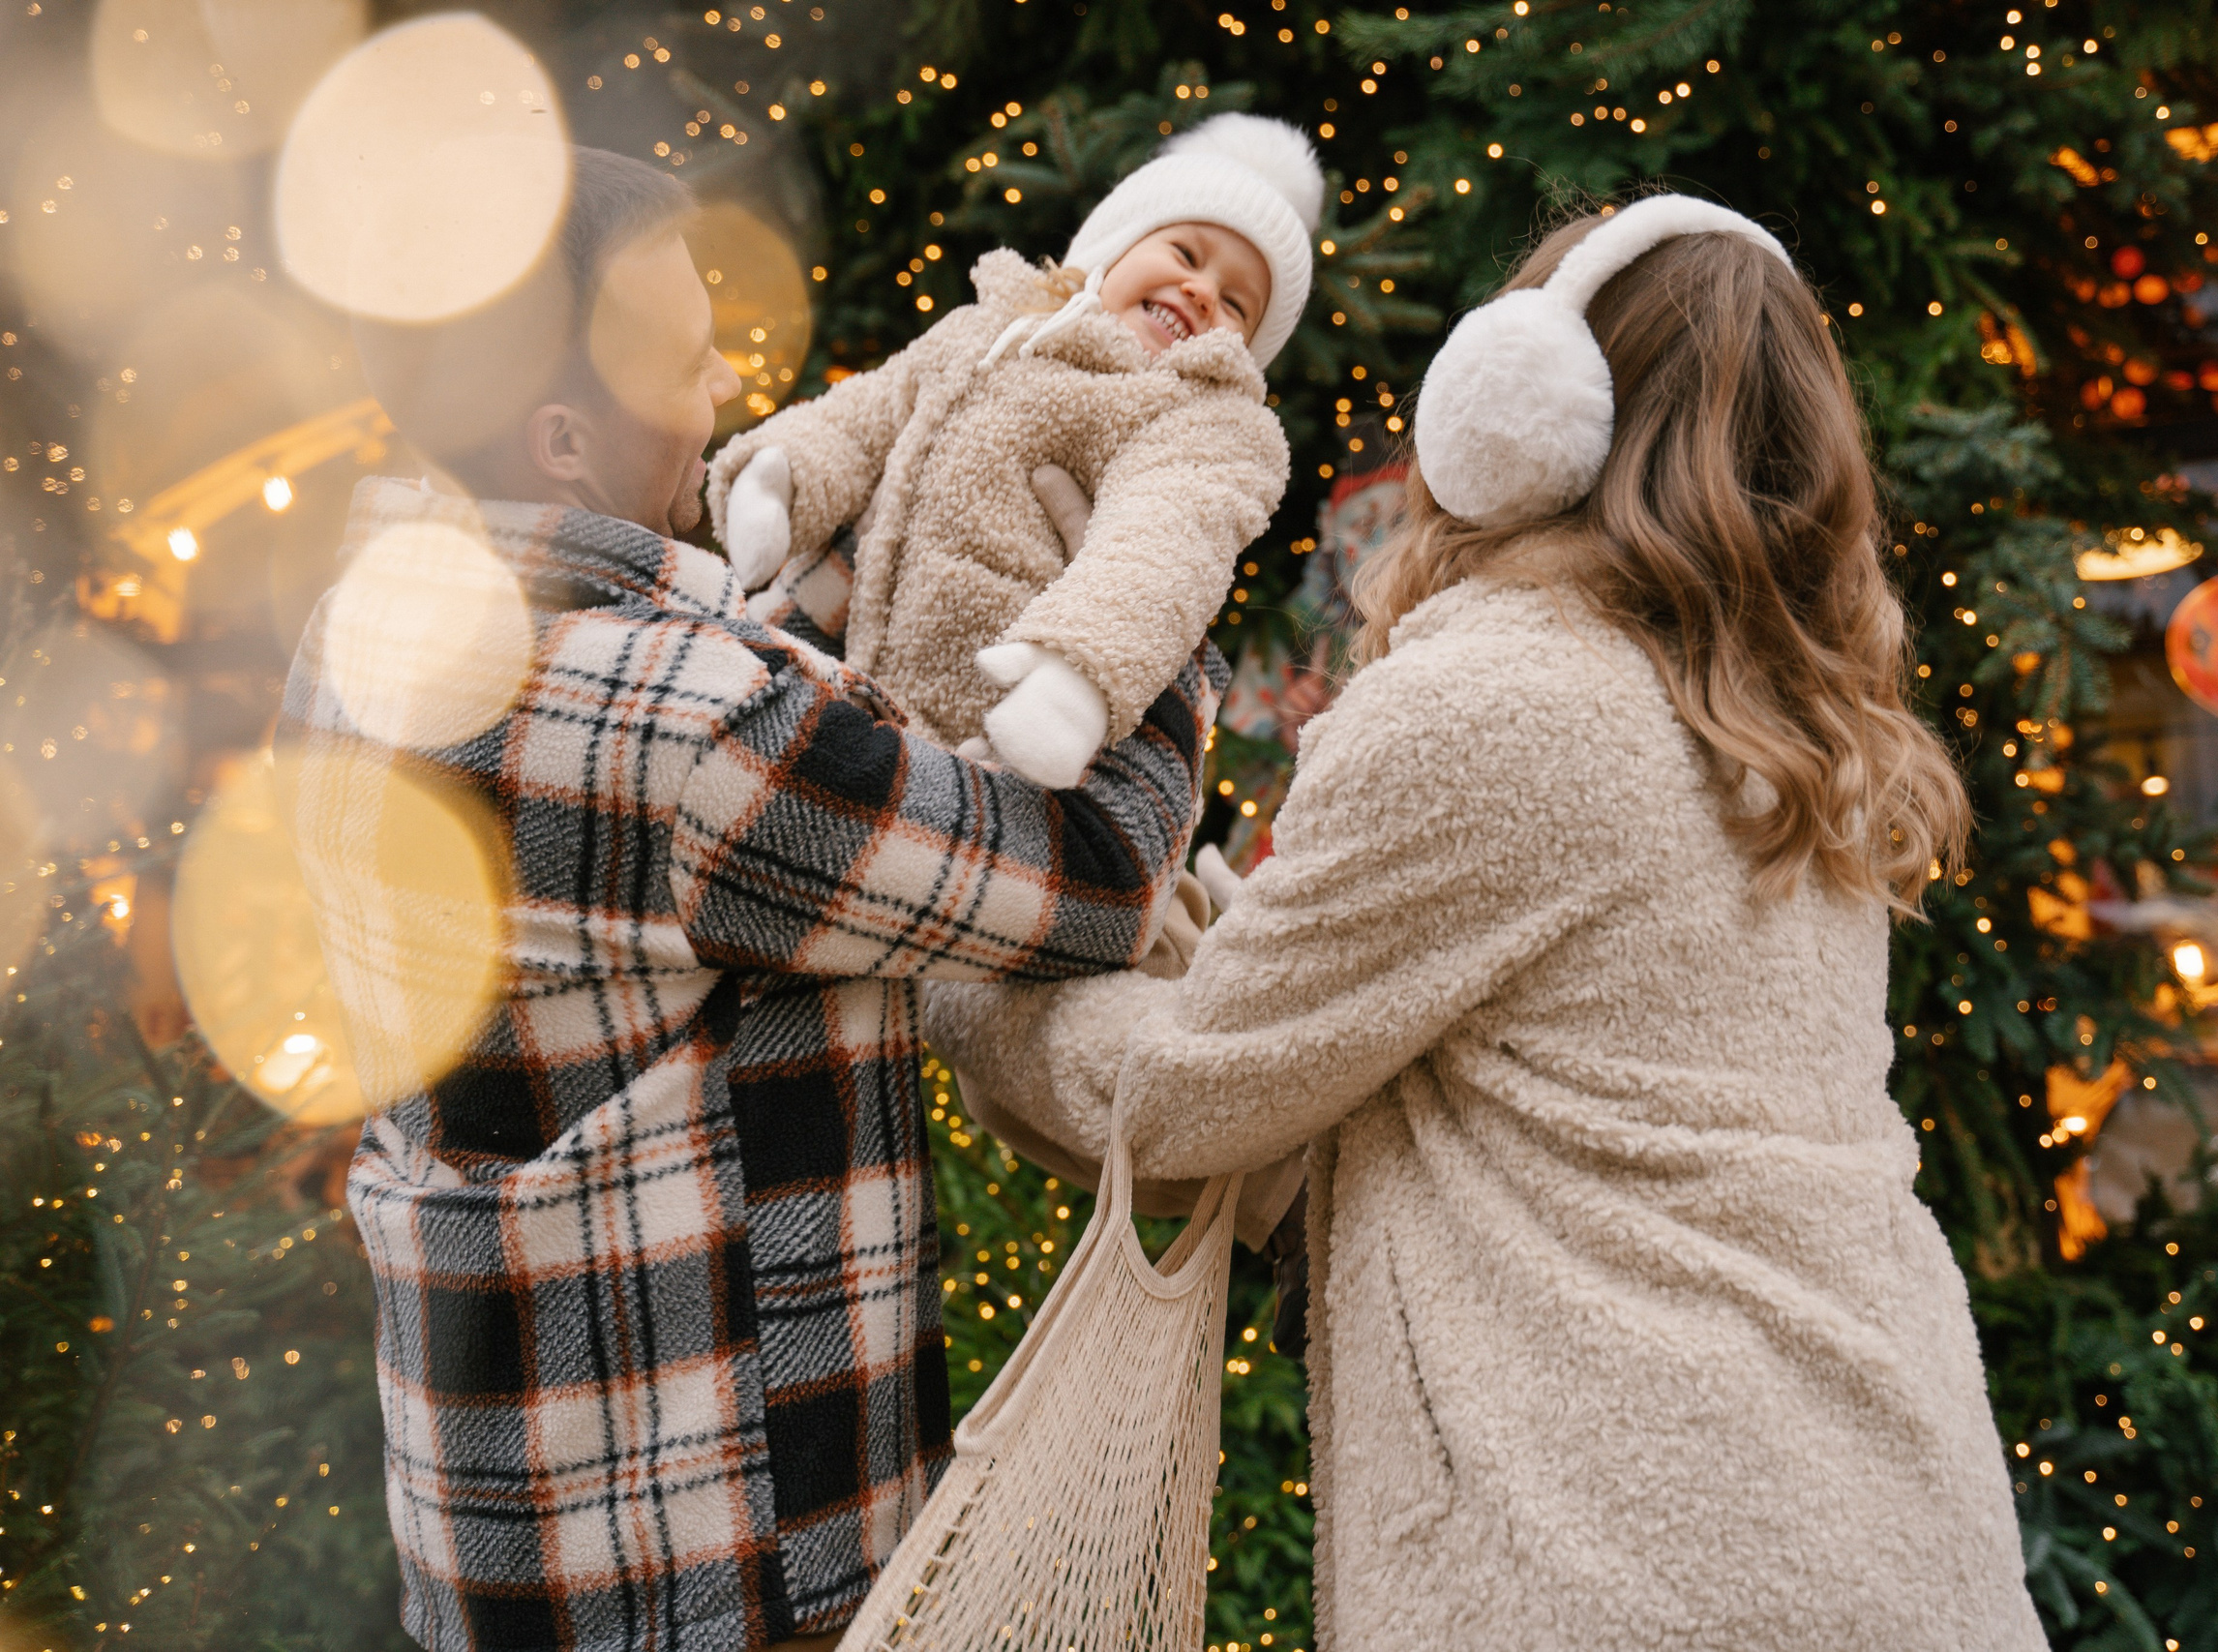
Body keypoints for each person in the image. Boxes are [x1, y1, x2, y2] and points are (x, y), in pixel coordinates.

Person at [923, 197, 2047, 1649]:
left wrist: (963, 968)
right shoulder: (1784, 725)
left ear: (1519, 413)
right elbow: (1434, 1053)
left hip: (1623, 1549)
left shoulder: (1497, 699)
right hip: (1884, 1514)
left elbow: (1189, 1090)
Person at [285, 147, 1219, 1652]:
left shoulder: (359, 632)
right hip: (717, 1550)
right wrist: (1150, 587)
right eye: (685, 358)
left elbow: (724, 777)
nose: (727, 383)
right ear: (567, 436)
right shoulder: (682, 729)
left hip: (505, 1520)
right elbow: (1100, 878)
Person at [704, 113, 1317, 789]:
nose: (1202, 291)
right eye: (1186, 254)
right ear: (1114, 245)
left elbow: (1166, 544)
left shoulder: (1198, 421)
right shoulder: (993, 328)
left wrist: (1079, 675)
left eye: (1236, 302)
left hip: (995, 723)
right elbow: (871, 409)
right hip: (849, 642)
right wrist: (783, 472)